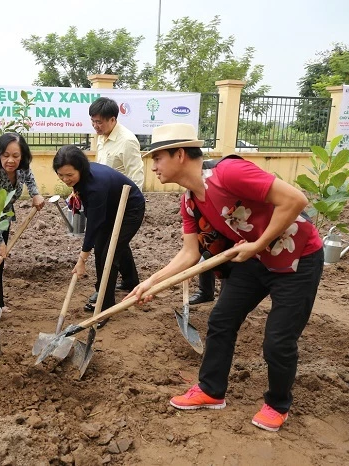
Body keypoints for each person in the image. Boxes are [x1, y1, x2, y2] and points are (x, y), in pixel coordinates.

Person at [126, 123, 324, 432]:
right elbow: (189, 254)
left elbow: (295, 200)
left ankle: (277, 403)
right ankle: (211, 390)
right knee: (221, 320)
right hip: (253, 259)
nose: (153, 167)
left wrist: (259, 243)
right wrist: (151, 282)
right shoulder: (190, 201)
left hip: (297, 258)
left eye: (158, 158)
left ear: (179, 154)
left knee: (278, 339)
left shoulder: (229, 173)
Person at [54, 146, 145, 327]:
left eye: (69, 175)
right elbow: (95, 219)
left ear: (81, 168)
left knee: (107, 255)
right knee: (111, 245)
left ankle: (105, 306)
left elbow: (93, 225)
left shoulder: (95, 186)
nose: (65, 179)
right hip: (109, 209)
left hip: (130, 209)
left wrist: (82, 259)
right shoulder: (83, 178)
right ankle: (130, 281)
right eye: (61, 175)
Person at [0, 132, 45, 325]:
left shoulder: (22, 169)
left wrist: (35, 194)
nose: (11, 160)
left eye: (16, 156)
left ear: (22, 156)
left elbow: (30, 179)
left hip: (4, 218)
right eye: (6, 155)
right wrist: (0, 242)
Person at [87, 97, 143, 310]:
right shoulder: (102, 137)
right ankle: (130, 281)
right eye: (93, 121)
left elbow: (136, 177)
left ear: (113, 119)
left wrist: (125, 205)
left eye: (99, 122)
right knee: (116, 242)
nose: (95, 126)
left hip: (127, 206)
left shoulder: (127, 140)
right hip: (108, 203)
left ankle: (103, 295)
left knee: (108, 249)